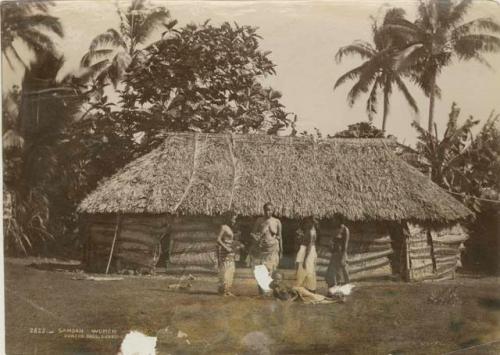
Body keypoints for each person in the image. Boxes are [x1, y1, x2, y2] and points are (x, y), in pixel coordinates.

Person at [250, 202, 283, 273]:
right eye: (266, 210)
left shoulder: (277, 221)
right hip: (262, 249)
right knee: (262, 270)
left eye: (270, 210)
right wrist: (257, 239)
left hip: (273, 249)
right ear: (263, 210)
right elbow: (252, 233)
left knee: (271, 269)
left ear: (273, 210)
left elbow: (280, 236)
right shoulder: (259, 220)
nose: (268, 212)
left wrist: (281, 250)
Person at [216, 211, 239, 296]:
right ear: (229, 218)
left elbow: (230, 241)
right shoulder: (223, 227)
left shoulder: (230, 228)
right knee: (225, 271)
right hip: (225, 253)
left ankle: (227, 290)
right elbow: (218, 239)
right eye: (233, 219)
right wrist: (226, 248)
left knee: (230, 271)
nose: (234, 221)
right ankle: (223, 291)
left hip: (230, 253)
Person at [295, 217, 318, 292]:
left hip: (307, 253)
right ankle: (309, 288)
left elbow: (309, 246)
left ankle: (308, 288)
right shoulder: (311, 231)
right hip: (308, 251)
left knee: (306, 270)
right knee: (308, 270)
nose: (306, 224)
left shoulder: (310, 232)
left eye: (308, 223)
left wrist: (305, 259)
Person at [326, 222, 350, 288]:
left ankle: (342, 290)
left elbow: (345, 245)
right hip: (335, 254)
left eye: (336, 219)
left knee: (342, 273)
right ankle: (333, 288)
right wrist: (331, 246)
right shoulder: (336, 229)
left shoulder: (345, 230)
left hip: (341, 254)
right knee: (332, 273)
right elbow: (332, 241)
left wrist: (343, 257)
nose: (334, 220)